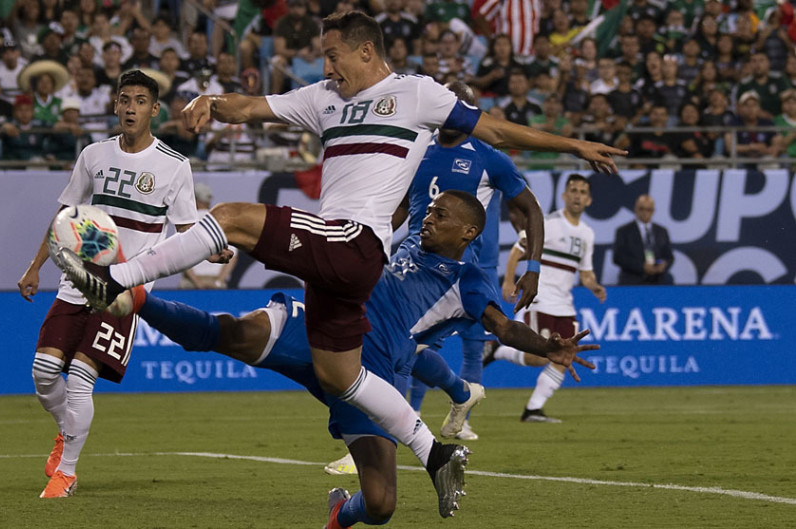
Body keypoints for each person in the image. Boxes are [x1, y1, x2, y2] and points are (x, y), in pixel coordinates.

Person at [54, 10, 623, 516]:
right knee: (341, 378)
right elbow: (251, 107)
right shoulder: (323, 97)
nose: (326, 66)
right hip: (340, 266)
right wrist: (210, 101)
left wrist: (574, 146)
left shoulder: (416, 93)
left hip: (355, 243)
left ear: (366, 51)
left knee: (229, 216)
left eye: (333, 55)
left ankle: (115, 280)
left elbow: (494, 128)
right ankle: (435, 453)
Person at [96, 190, 598, 527]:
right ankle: (134, 297)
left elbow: (504, 327)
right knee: (227, 333)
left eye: (441, 215)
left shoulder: (469, 281)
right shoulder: (404, 242)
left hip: (374, 374)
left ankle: (341, 514)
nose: (429, 217)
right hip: (323, 326)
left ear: (468, 233)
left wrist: (550, 346)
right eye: (430, 210)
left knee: (380, 505)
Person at [16, 70, 201, 499]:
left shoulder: (175, 166)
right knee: (44, 373)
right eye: (124, 99)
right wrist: (34, 267)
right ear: (115, 105)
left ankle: (66, 473)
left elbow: (189, 228)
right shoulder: (94, 155)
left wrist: (212, 250)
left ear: (154, 109)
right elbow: (65, 217)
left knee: (81, 378)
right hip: (78, 276)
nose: (130, 107)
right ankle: (67, 430)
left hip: (125, 289)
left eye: (140, 100)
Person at [391, 80, 545, 443]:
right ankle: (448, 399)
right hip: (411, 264)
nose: (450, 111)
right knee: (400, 344)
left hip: (459, 275)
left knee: (404, 343)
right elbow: (398, 209)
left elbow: (530, 209)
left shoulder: (488, 157)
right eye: (447, 104)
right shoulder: (417, 150)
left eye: (460, 106)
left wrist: (532, 267)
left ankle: (398, 424)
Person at [490, 174, 606, 423]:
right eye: (572, 190)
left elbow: (585, 273)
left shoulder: (587, 234)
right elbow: (518, 250)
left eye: (582, 191)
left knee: (564, 356)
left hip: (565, 305)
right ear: (564, 195)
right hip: (541, 299)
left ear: (589, 200)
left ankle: (533, 409)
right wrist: (509, 281)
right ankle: (498, 350)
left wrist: (593, 285)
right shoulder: (548, 223)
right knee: (538, 357)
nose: (577, 195)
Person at [180, 183, 239, 289]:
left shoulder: (187, 222)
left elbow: (181, 255)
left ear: (195, 200)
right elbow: (233, 256)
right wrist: (219, 281)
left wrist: (196, 282)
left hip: (191, 282)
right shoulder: (222, 221)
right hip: (215, 280)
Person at [612, 194, 674, 285]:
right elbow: (618, 257)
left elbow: (669, 256)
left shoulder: (662, 231)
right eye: (641, 209)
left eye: (649, 209)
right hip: (632, 282)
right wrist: (642, 267)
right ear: (635, 209)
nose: (645, 212)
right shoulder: (623, 231)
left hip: (658, 282)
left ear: (653, 211)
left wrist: (664, 265)